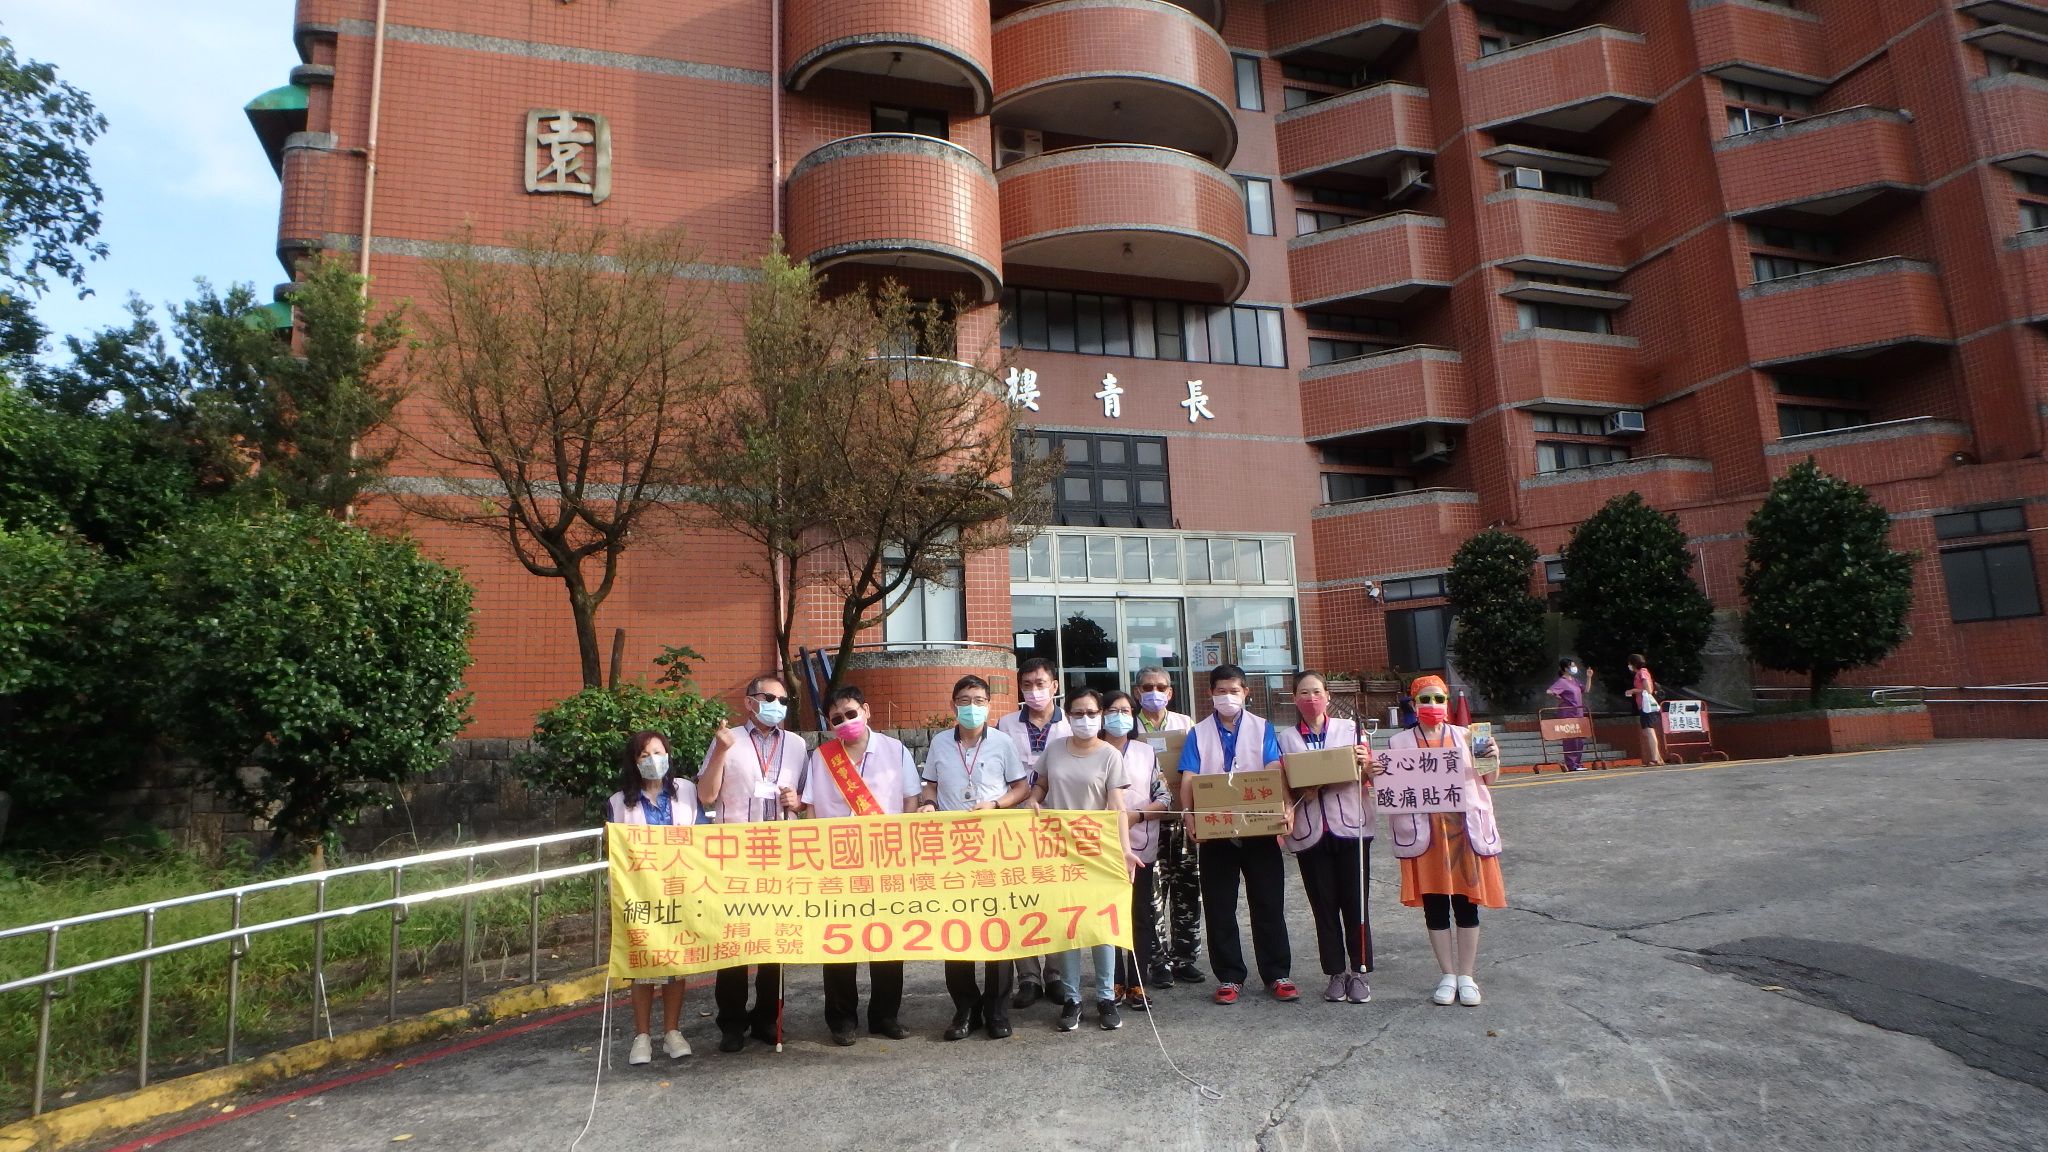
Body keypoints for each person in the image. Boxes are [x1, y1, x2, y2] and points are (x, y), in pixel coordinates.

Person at [798, 685, 921, 1046]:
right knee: (839, 938)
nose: (845, 721)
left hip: (886, 859)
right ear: (829, 723)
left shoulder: (895, 750)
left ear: (866, 710)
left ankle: (885, 1015)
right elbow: (810, 808)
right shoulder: (823, 757)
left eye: (851, 713)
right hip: (838, 862)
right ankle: (841, 1019)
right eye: (837, 718)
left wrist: (904, 848)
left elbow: (910, 800)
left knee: (888, 938)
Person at [914, 675, 1031, 1041]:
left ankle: (997, 1010)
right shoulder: (939, 742)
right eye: (964, 700)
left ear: (989, 705)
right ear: (953, 705)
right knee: (956, 929)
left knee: (998, 928)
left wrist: (995, 804)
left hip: (994, 847)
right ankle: (966, 1007)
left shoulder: (1002, 742)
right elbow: (930, 784)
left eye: (979, 700)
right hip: (952, 849)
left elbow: (1022, 787)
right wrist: (929, 803)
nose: (972, 707)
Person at [696, 673, 807, 1053]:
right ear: (749, 702)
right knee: (734, 940)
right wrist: (720, 750)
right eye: (768, 698)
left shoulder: (796, 745)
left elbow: (805, 800)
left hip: (780, 854)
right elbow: (706, 795)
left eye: (783, 700)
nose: (777, 705)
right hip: (736, 855)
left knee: (774, 941)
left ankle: (767, 1018)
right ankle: (731, 1022)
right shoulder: (728, 740)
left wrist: (797, 802)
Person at [1177, 664, 1297, 1005]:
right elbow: (1188, 776)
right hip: (1216, 832)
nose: (1227, 697)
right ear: (1210, 694)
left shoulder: (1262, 727)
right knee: (1220, 907)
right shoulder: (1198, 733)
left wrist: (1286, 807)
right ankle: (1229, 976)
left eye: (1233, 691)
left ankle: (1277, 973)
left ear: (1246, 692)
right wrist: (1188, 816)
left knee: (1268, 903)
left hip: (1259, 829)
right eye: (1221, 691)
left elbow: (1273, 768)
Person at [1389, 674, 1504, 1007]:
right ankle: (1447, 974)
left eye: (1438, 699)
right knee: (1435, 907)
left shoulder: (1469, 736)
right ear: (1414, 704)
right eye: (1425, 699)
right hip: (1425, 835)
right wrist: (1376, 773)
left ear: (1447, 703)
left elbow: (1490, 780)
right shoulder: (1398, 743)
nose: (1432, 705)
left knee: (1466, 905)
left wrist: (1493, 756)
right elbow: (1391, 786)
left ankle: (1466, 975)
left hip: (1463, 833)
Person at [1032, 688, 1133, 1032]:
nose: (1085, 719)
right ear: (1068, 715)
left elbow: (1117, 807)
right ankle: (1072, 999)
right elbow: (1041, 785)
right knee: (1068, 924)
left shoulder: (1110, 755)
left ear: (1101, 715)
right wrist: (1034, 799)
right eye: (1078, 713)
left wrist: (1125, 850)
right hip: (1059, 850)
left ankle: (1105, 997)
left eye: (1091, 713)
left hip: (1098, 852)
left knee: (1102, 926)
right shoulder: (1055, 749)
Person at [1277, 672, 1379, 1005]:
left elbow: (1371, 774)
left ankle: (1359, 971)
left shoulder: (1350, 730)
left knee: (1356, 903)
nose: (1311, 698)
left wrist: (1367, 764)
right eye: (1304, 693)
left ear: (1328, 695)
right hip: (1311, 830)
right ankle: (1335, 972)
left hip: (1351, 827)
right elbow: (1282, 782)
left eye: (1317, 692)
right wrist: (1298, 791)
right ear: (1295, 699)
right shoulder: (1286, 738)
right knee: (1323, 905)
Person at [606, 729, 700, 1064]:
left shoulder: (687, 792)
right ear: (634, 761)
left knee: (675, 963)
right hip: (641, 894)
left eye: (658, 753)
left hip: (679, 889)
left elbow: (702, 837)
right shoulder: (619, 802)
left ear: (668, 755)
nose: (653, 760)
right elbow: (614, 852)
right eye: (645, 755)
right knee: (643, 964)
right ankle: (642, 1036)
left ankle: (672, 1032)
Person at [997, 657, 1070, 1008]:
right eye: (1027, 685)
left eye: (1040, 684)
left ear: (1054, 685)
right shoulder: (1005, 724)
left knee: (1058, 898)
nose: (1034, 691)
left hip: (1059, 822)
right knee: (1018, 898)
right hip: (1015, 825)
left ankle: (1056, 974)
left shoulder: (1071, 724)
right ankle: (1027, 976)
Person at [1133, 667, 1202, 989]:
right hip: (1146, 821)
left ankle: (1185, 958)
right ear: (1137, 692)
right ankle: (1156, 961)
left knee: (1188, 888)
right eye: (1148, 687)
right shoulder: (1128, 726)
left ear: (1170, 692)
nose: (1154, 692)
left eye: (1161, 687)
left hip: (1182, 819)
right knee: (1151, 894)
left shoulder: (1186, 724)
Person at [1103, 689, 1169, 1011]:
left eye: (1126, 711)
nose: (1120, 716)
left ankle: (1137, 982)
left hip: (1140, 845)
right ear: (1102, 714)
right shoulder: (1092, 751)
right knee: (1107, 916)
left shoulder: (1146, 753)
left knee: (1140, 915)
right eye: (1113, 710)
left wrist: (1137, 816)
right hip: (1100, 848)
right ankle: (1114, 980)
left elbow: (1165, 797)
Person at [1546, 658, 1592, 772]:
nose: (1574, 667)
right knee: (1570, 740)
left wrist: (1589, 677)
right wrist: (1561, 698)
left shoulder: (1574, 681)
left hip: (1578, 713)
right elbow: (1550, 691)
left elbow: (1585, 690)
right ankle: (1571, 764)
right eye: (1572, 666)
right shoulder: (1562, 681)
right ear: (1566, 668)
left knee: (1579, 739)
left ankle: (1578, 763)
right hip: (1568, 713)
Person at [1626, 653, 1664, 765]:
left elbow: (1648, 690)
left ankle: (1655, 758)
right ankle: (1658, 758)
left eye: (1630, 663)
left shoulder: (1641, 673)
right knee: (1647, 730)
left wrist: (1633, 691)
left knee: (1649, 730)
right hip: (1644, 705)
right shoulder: (1641, 673)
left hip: (1646, 706)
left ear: (1633, 664)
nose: (1629, 666)